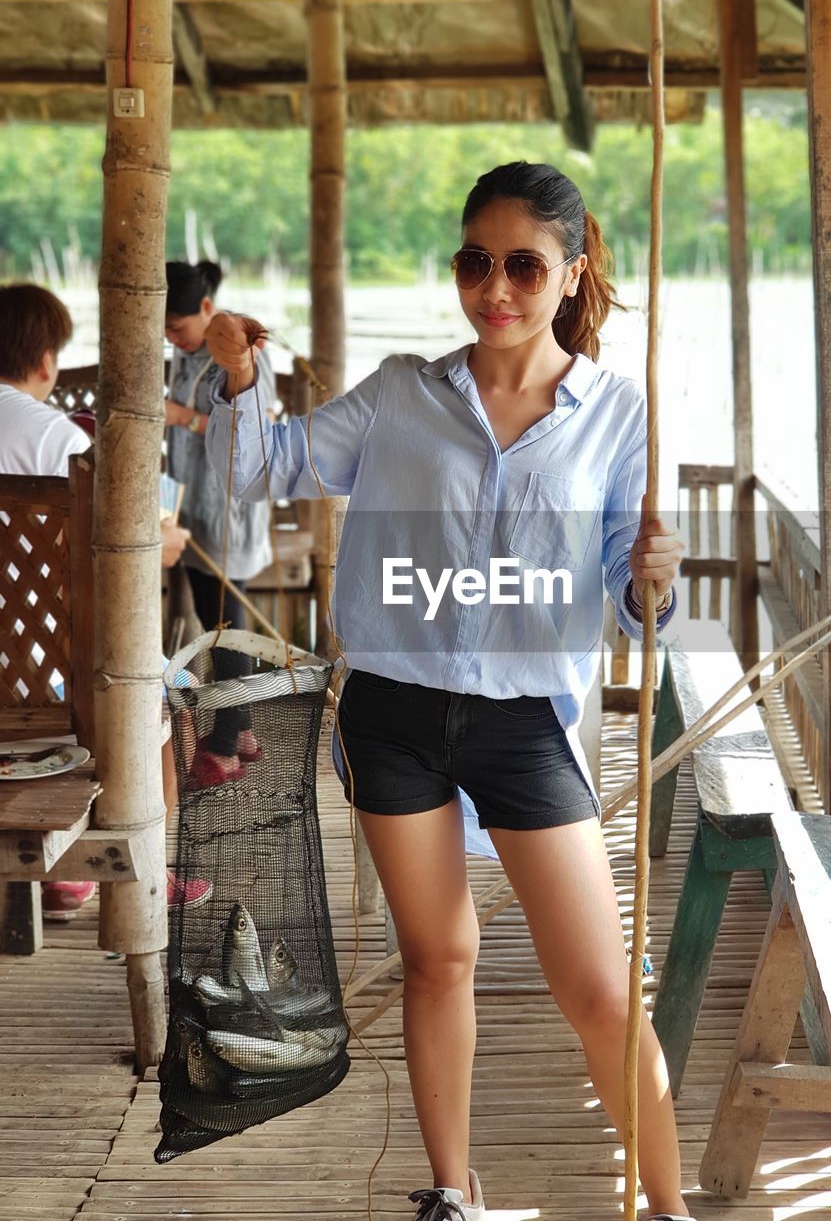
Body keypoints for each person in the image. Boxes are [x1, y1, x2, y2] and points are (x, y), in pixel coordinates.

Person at [204, 163, 693, 1221]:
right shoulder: (399, 394)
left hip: (528, 724)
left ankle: (669, 1205)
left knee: (602, 990)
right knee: (440, 957)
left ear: (574, 271)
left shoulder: (618, 414)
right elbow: (262, 471)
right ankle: (451, 1187)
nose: (496, 287)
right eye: (477, 261)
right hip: (394, 712)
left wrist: (655, 571)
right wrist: (242, 379)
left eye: (524, 264)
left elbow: (629, 596)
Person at [0, 283, 203, 916]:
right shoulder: (58, 440)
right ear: (46, 364)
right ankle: (132, 873)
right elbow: (117, 559)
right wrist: (161, 544)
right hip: (45, 680)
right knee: (176, 693)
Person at [164, 261, 274, 786]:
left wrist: (180, 417)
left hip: (230, 506)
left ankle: (227, 744)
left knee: (228, 627)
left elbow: (253, 429)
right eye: (164, 330)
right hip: (192, 504)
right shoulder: (184, 358)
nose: (173, 338)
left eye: (179, 327)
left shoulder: (241, 354)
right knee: (215, 625)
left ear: (207, 311)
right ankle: (244, 731)